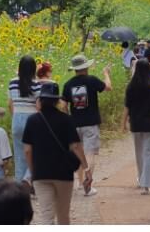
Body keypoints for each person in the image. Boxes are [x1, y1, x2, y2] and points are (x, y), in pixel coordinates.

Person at [22, 82, 91, 224]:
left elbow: (27, 150)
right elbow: (76, 146)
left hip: (41, 174)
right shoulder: (66, 120)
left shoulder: (32, 120)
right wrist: (86, 168)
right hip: (63, 174)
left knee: (46, 216)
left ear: (40, 100)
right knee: (63, 215)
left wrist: (33, 172)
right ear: (56, 100)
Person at [61, 54, 112, 195]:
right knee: (90, 153)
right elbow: (108, 87)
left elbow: (63, 104)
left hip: (74, 123)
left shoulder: (68, 84)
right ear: (86, 67)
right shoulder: (92, 80)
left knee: (78, 152)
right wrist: (106, 74)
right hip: (91, 123)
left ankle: (79, 182)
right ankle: (88, 185)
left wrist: (68, 117)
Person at [122, 58, 150, 195]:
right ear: (148, 70)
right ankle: (147, 185)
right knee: (149, 154)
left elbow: (127, 107)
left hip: (136, 125)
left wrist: (123, 124)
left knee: (139, 154)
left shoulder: (131, 87)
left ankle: (141, 179)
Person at [8, 55, 42, 187]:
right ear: (33, 69)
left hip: (16, 118)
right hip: (32, 119)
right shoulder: (36, 84)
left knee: (19, 154)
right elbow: (39, 106)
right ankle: (28, 179)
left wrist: (15, 116)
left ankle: (18, 185)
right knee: (36, 152)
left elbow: (10, 104)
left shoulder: (12, 83)